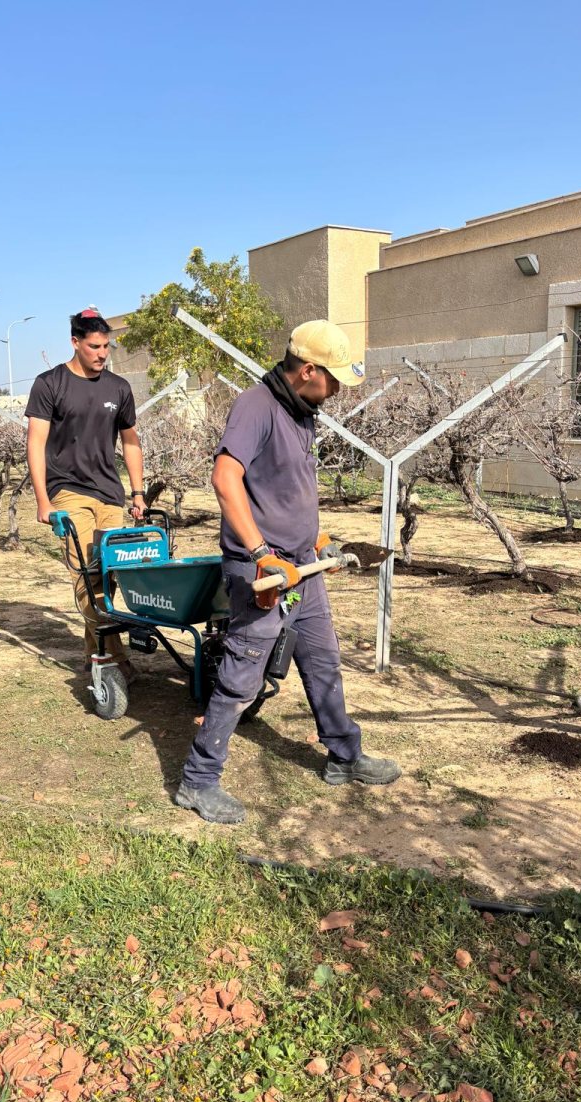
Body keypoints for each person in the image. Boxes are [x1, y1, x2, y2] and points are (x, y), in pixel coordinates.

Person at [175, 319, 401, 824]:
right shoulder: (256, 406)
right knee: (242, 677)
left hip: (303, 569)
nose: (338, 389)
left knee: (323, 663)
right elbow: (225, 478)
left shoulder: (303, 412)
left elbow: (283, 487)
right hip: (266, 573)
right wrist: (261, 552)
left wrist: (316, 540)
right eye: (333, 378)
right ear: (307, 370)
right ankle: (198, 780)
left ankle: (344, 756)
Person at [25, 308, 145, 678]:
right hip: (67, 490)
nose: (102, 353)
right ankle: (114, 659)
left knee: (110, 575)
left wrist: (138, 493)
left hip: (110, 492)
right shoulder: (50, 384)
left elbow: (131, 442)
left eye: (106, 346)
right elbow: (36, 442)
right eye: (94, 347)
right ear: (75, 342)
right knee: (87, 576)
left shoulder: (118, 388)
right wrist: (43, 501)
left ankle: (96, 654)